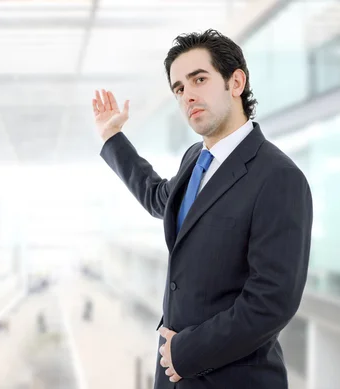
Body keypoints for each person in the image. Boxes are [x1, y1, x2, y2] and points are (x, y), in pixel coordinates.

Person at [93, 29, 313, 389]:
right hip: (174, 378)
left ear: (236, 81)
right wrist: (113, 139)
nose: (188, 95)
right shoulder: (196, 159)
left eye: (199, 79)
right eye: (179, 88)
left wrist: (186, 352)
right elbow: (157, 198)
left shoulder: (279, 177)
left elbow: (272, 301)